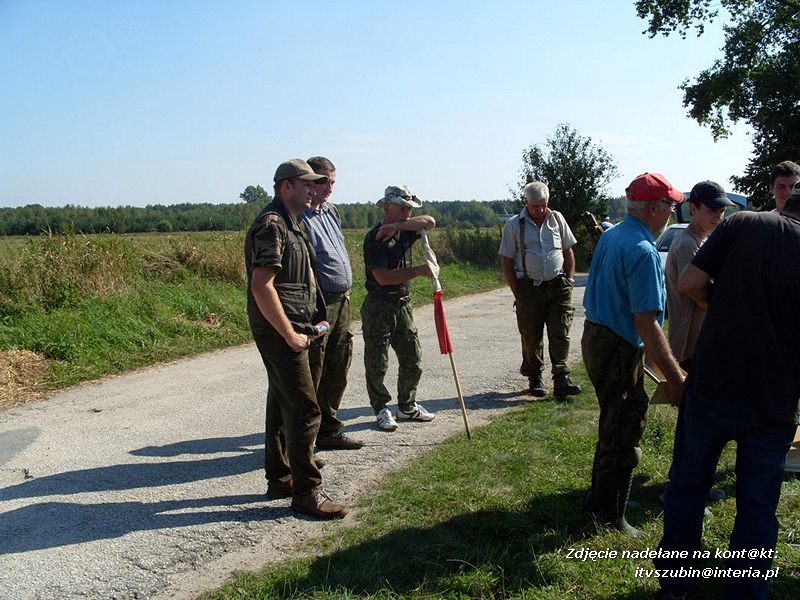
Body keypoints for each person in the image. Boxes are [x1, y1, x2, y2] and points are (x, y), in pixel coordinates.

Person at [655, 185, 800, 600]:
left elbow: (689, 282)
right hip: (775, 397)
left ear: (788, 202)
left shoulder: (743, 222)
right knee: (756, 501)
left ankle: (676, 585)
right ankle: (746, 591)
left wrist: (722, 306)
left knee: (688, 486)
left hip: (714, 382)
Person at [581, 172, 686, 536]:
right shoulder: (642, 251)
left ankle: (601, 499)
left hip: (596, 337)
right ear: (654, 208)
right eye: (671, 205)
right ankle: (611, 515)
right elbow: (647, 324)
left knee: (612, 419)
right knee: (625, 426)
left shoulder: (613, 235)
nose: (673, 212)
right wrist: (676, 378)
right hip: (618, 347)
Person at [245, 158, 348, 519]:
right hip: (280, 330)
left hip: (297, 325)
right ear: (286, 186)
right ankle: (308, 493)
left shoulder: (296, 223)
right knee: (305, 408)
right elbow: (262, 285)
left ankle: (281, 477)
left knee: (281, 402)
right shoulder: (272, 224)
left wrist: (315, 320)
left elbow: (302, 280)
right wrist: (288, 333)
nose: (314, 190)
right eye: (307, 184)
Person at [299, 156, 363, 451]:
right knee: (315, 367)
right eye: (324, 181)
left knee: (339, 364)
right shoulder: (299, 216)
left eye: (333, 181)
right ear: (310, 181)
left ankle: (329, 428)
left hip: (343, 300)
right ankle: (304, 440)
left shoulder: (331, 211)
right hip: (319, 303)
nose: (329, 188)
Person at [362, 185, 436, 432]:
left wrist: (400, 226)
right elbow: (382, 277)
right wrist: (419, 271)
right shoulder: (376, 238)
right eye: (401, 208)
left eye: (409, 208)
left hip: (403, 305)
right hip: (379, 304)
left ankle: (407, 406)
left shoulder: (405, 229)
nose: (407, 212)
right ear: (386, 207)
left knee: (413, 358)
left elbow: (430, 221)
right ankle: (381, 408)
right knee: (377, 362)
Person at [498, 181, 582, 398]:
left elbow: (568, 251)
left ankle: (562, 377)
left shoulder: (557, 220)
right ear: (526, 202)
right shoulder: (514, 225)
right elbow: (506, 261)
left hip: (558, 285)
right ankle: (535, 378)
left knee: (560, 331)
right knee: (530, 334)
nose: (540, 210)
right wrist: (518, 292)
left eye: (543, 205)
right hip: (529, 287)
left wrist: (569, 281)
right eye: (535, 206)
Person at [665, 180, 733, 372]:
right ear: (693, 209)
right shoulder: (688, 243)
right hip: (691, 343)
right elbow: (693, 290)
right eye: (712, 210)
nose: (718, 216)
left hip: (697, 341)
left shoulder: (699, 239)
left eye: (721, 211)